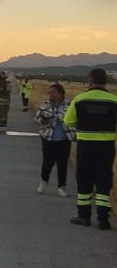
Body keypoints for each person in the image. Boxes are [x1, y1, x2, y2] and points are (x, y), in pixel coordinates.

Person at [63, 68, 117, 230]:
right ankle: (103, 219)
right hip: (106, 147)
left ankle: (84, 216)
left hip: (85, 146)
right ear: (106, 81)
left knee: (84, 179)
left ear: (91, 81)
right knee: (104, 181)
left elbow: (68, 121)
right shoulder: (114, 100)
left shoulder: (80, 99)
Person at [35, 83, 74, 197]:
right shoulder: (45, 105)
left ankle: (61, 187)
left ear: (60, 93)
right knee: (48, 162)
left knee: (62, 163)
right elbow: (37, 118)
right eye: (49, 92)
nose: (50, 95)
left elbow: (74, 118)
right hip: (48, 137)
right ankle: (44, 180)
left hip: (64, 138)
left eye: (53, 92)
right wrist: (42, 120)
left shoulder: (69, 105)